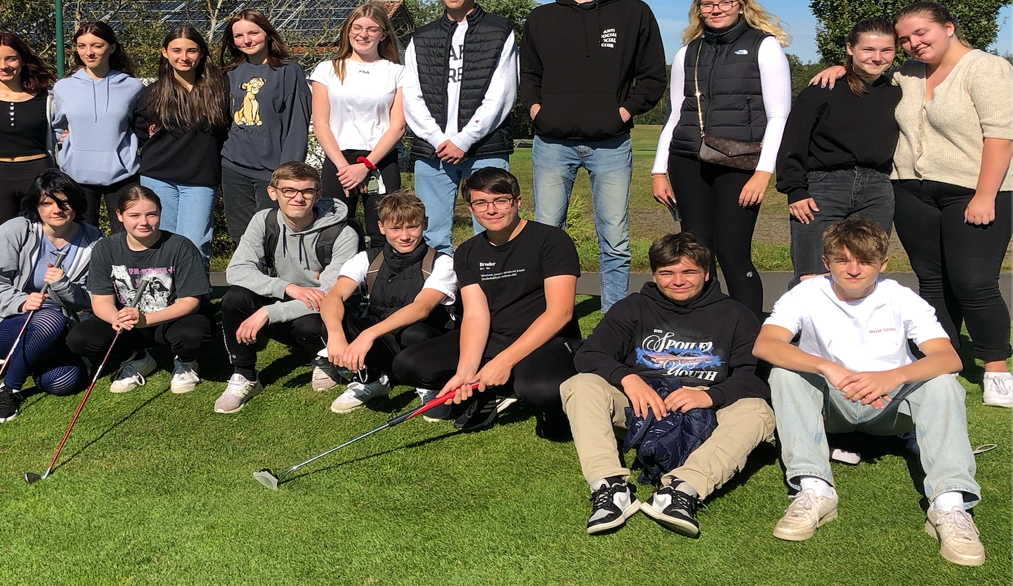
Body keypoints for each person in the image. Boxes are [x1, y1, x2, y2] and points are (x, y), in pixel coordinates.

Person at [753, 217, 986, 567]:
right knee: (786, 374)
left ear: (883, 264)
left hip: (891, 406)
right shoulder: (805, 294)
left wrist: (892, 377)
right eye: (842, 260)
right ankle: (815, 489)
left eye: (865, 261)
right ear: (826, 261)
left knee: (943, 383)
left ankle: (949, 504)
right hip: (832, 404)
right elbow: (766, 344)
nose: (853, 270)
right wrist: (830, 368)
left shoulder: (901, 297)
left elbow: (948, 357)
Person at [815, 2, 1013, 406]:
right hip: (911, 190)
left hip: (973, 190)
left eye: (921, 33)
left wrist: (985, 195)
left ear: (949, 27)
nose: (913, 43)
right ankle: (945, 361)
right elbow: (868, 72)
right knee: (933, 281)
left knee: (974, 282)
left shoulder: (986, 68)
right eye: (904, 39)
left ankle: (996, 369)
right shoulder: (906, 73)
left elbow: (1001, 136)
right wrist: (842, 68)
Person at [562, 232, 774, 538]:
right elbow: (590, 353)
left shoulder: (736, 315)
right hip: (643, 401)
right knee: (581, 384)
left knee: (757, 411)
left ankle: (681, 491)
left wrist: (711, 396)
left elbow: (754, 375)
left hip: (705, 406)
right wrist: (628, 378)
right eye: (667, 273)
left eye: (689, 272)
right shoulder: (633, 307)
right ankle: (610, 487)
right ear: (654, 275)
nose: (678, 281)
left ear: (706, 273)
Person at [521, 0, 667, 312]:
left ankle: (614, 316)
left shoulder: (635, 13)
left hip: (611, 143)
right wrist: (538, 111)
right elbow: (528, 76)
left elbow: (652, 76)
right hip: (552, 142)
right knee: (547, 234)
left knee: (614, 238)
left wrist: (622, 111)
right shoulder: (542, 18)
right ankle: (549, 315)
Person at [391, 168, 580, 436]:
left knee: (540, 390)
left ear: (517, 201)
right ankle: (488, 391)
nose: (491, 210)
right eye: (480, 203)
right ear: (471, 208)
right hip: (496, 337)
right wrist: (465, 372)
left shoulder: (551, 240)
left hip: (548, 339)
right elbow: (476, 315)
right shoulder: (467, 252)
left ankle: (530, 394)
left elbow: (560, 313)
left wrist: (504, 361)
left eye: (500, 200)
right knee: (408, 365)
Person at [651, 0, 793, 315]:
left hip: (740, 162)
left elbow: (779, 115)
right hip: (688, 160)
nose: (716, 9)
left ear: (740, 6)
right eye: (708, 4)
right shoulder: (688, 52)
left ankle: (748, 332)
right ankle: (706, 325)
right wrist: (658, 171)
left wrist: (763, 173)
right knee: (697, 251)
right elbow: (675, 115)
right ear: (699, 10)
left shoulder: (764, 46)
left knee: (733, 252)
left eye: (725, 2)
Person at [215, 162, 361, 414]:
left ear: (318, 194)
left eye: (307, 191)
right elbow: (236, 271)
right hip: (288, 298)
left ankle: (323, 358)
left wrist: (267, 312)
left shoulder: (343, 232)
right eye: (289, 190)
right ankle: (244, 374)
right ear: (273, 193)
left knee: (309, 325)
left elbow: (329, 295)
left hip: (325, 311)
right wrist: (288, 288)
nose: (298, 198)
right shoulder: (264, 221)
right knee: (235, 298)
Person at [400, 0, 519, 255]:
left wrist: (464, 140)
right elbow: (411, 95)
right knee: (433, 235)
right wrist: (438, 139)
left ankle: (491, 285)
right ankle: (443, 287)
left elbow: (502, 94)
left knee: (494, 230)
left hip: (485, 148)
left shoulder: (499, 31)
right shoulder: (422, 37)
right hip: (433, 150)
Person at [0, 169, 102, 423]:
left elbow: (91, 297)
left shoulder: (93, 238)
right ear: (36, 206)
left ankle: (21, 360)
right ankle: (10, 388)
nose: (56, 210)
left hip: (59, 326)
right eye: (47, 203)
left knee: (64, 381)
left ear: (75, 202)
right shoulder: (16, 230)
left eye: (64, 202)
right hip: (3, 322)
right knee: (50, 320)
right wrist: (20, 302)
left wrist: (63, 285)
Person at [777, 18, 901, 284]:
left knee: (864, 273)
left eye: (886, 50)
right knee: (813, 275)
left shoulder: (897, 92)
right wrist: (795, 190)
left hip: (877, 189)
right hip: (824, 187)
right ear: (850, 48)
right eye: (868, 49)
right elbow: (793, 142)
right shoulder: (823, 90)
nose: (877, 57)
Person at [319, 191, 458, 414]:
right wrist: (335, 335)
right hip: (385, 337)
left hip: (424, 338)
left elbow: (421, 308)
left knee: (414, 333)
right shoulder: (366, 258)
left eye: (412, 227)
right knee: (333, 322)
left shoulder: (442, 263)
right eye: (395, 228)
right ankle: (372, 379)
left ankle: (429, 385)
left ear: (425, 224)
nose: (404, 236)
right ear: (381, 227)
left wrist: (367, 335)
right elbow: (334, 297)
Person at [66, 185, 212, 394]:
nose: (143, 222)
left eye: (151, 214)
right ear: (119, 215)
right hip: (128, 323)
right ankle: (136, 359)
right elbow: (101, 301)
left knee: (193, 335)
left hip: (170, 320)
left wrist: (146, 320)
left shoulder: (180, 246)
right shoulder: (105, 248)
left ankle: (185, 361)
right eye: (134, 215)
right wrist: (116, 318)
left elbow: (190, 302)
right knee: (80, 338)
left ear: (160, 213)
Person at [310, 2, 407, 248]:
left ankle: (381, 273)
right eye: (357, 27)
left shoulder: (397, 72)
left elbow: (397, 126)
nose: (363, 34)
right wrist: (345, 169)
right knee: (334, 233)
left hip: (380, 161)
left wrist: (366, 166)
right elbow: (320, 123)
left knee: (384, 232)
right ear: (348, 30)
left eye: (372, 29)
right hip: (339, 161)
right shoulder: (327, 70)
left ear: (383, 34)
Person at [134, 25, 230, 264]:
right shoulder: (153, 93)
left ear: (202, 53)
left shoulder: (220, 90)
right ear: (165, 52)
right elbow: (140, 130)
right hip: (158, 178)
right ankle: (164, 288)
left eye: (191, 50)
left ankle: (195, 288)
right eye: (176, 50)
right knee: (160, 243)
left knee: (195, 245)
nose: (184, 57)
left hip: (200, 181)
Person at [219, 9, 312, 244]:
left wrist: (288, 173)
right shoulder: (230, 73)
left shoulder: (288, 70)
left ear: (268, 33)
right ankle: (245, 270)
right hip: (234, 167)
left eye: (253, 33)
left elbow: (297, 125)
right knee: (241, 237)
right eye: (239, 36)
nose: (246, 40)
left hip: (272, 171)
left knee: (274, 235)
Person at [52, 21, 143, 231]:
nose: (89, 52)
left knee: (126, 237)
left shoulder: (133, 86)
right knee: (81, 237)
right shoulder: (63, 87)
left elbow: (139, 126)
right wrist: (66, 140)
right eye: (82, 46)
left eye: (97, 45)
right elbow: (57, 127)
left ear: (112, 48)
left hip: (123, 175)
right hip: (77, 176)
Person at [0, 32, 58, 233]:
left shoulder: (47, 96)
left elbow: (64, 130)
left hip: (38, 175)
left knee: (43, 237)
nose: (3, 66)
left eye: (10, 58)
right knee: (2, 240)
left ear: (23, 60)